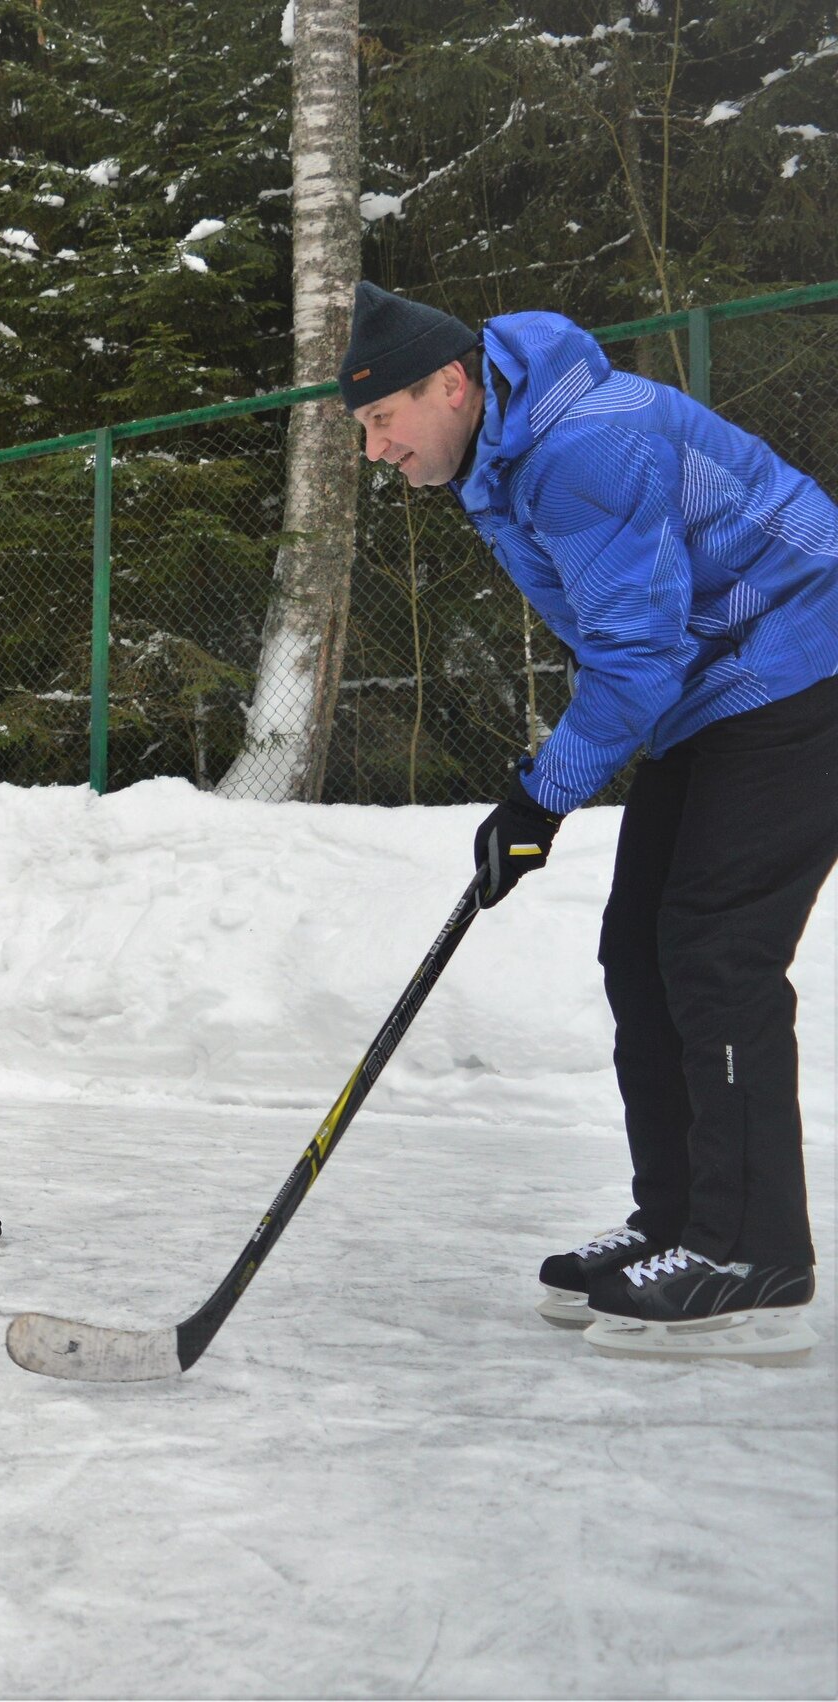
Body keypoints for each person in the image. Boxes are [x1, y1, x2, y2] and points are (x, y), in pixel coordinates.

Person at [343, 281, 836, 1362]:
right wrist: (541, 800)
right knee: (639, 948)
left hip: (807, 664)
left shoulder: (583, 449)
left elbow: (633, 656)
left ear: (454, 385)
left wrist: (539, 798)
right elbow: (641, 647)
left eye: (382, 421)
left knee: (714, 947)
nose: (374, 450)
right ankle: (678, 1225)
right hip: (715, 688)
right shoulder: (507, 455)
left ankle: (752, 1251)